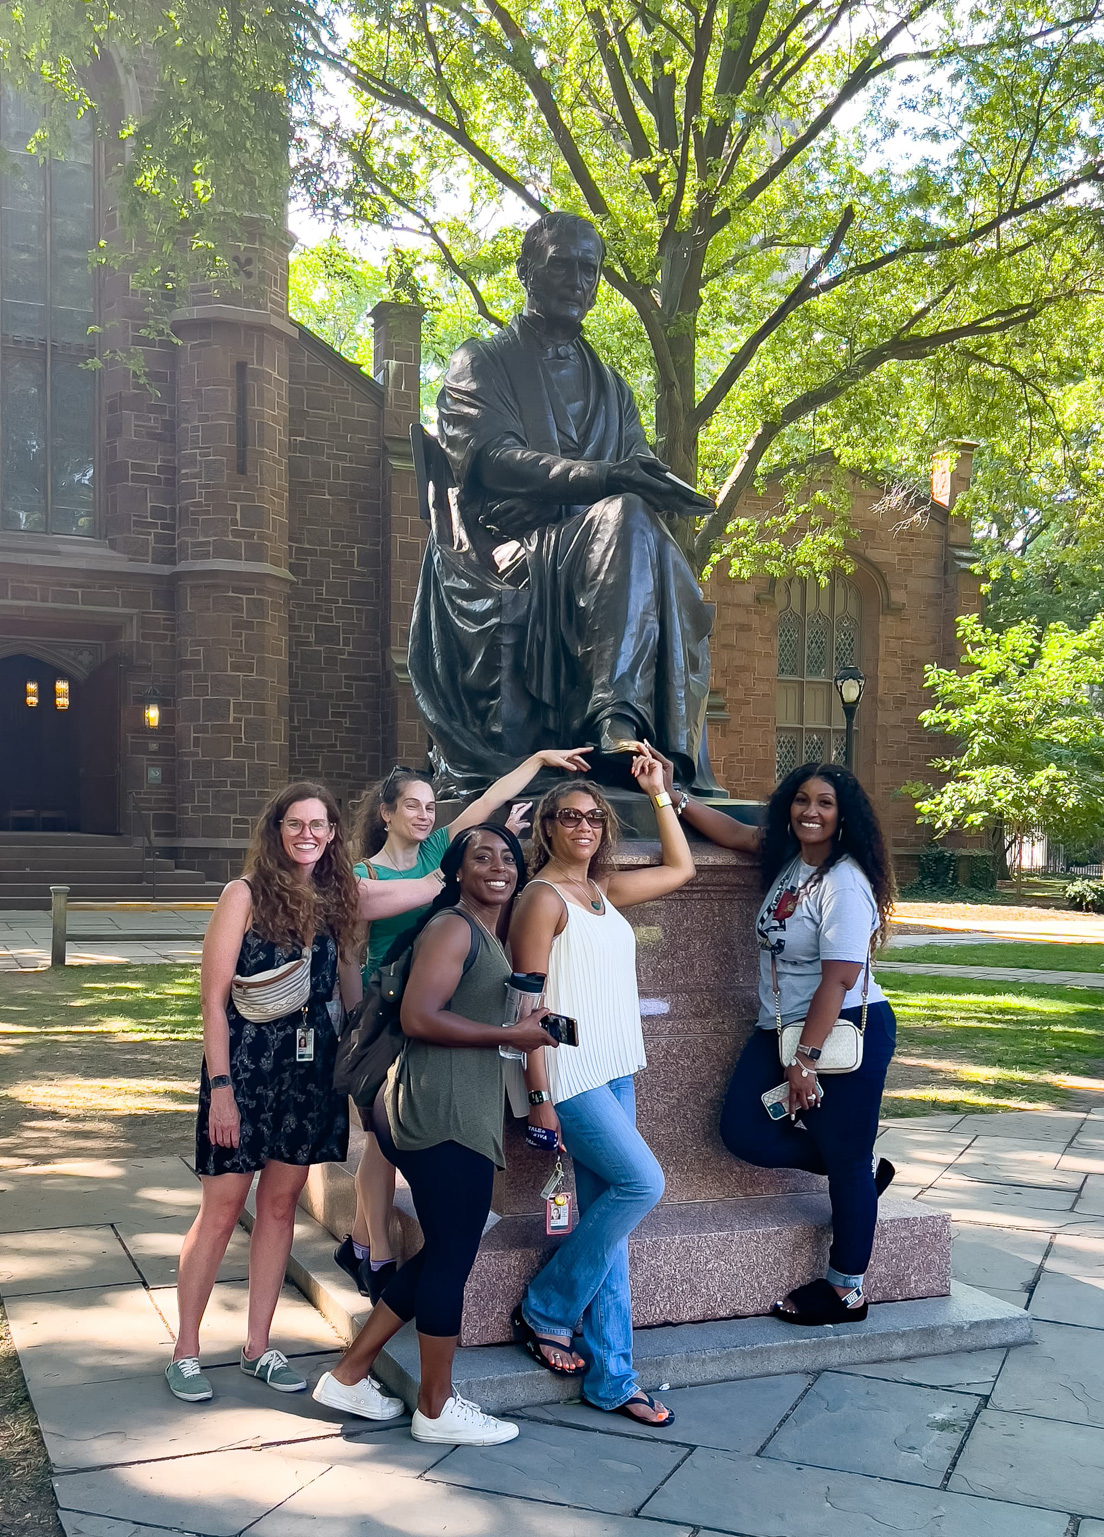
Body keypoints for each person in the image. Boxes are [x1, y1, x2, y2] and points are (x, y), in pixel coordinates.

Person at [409, 209, 722, 795]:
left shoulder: (614, 388)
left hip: (606, 552)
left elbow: (636, 471)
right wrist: (605, 479)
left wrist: (659, 486)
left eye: (590, 269)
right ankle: (618, 723)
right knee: (628, 518)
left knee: (647, 534)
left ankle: (627, 723)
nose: (579, 279)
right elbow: (490, 459)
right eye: (563, 264)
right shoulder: (483, 361)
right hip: (519, 552)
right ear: (527, 269)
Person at [313, 824, 558, 1444]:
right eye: (481, 856)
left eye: (508, 856)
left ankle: (349, 1373)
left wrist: (520, 1023)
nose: (498, 866)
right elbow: (421, 1017)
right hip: (440, 1115)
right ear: (455, 871)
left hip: (444, 1109)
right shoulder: (453, 925)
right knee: (453, 1258)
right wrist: (512, 1036)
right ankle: (436, 1407)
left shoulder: (480, 931)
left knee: (441, 1252)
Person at [334, 748, 590, 1304]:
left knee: (387, 1144)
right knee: (382, 1141)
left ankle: (362, 1243)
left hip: (441, 1000)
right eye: (412, 806)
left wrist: (538, 760)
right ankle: (375, 1247)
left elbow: (490, 800)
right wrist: (356, 1029)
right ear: (385, 813)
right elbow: (350, 955)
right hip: (387, 1012)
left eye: (430, 807)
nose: (425, 816)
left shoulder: (436, 849)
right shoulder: (364, 874)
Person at [657, 755, 897, 1326]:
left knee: (844, 1158)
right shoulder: (792, 860)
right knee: (743, 1130)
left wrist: (806, 1061)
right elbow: (737, 833)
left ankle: (846, 1289)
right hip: (781, 1031)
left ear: (844, 818)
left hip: (839, 1035)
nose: (810, 811)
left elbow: (840, 977)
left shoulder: (844, 882)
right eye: (802, 800)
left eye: (825, 804)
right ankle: (855, 1174)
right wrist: (670, 794)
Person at [507, 745, 695, 1425]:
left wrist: (657, 792)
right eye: (570, 816)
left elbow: (682, 867)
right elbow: (525, 1007)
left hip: (617, 1067)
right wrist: (540, 1095)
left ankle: (613, 1377)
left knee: (610, 1225)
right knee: (643, 1184)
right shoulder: (541, 898)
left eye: (593, 817)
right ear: (548, 826)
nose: (584, 825)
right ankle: (549, 1305)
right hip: (571, 1072)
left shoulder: (602, 891)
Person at [166, 782, 362, 1402]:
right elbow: (213, 1000)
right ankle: (186, 1351)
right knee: (222, 1208)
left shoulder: (335, 899)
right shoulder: (243, 895)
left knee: (280, 1208)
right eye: (297, 823)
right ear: (276, 829)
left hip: (307, 1075)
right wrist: (220, 1088)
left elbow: (432, 872)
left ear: (333, 834)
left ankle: (258, 1346)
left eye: (320, 824)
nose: (309, 834)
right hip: (245, 1071)